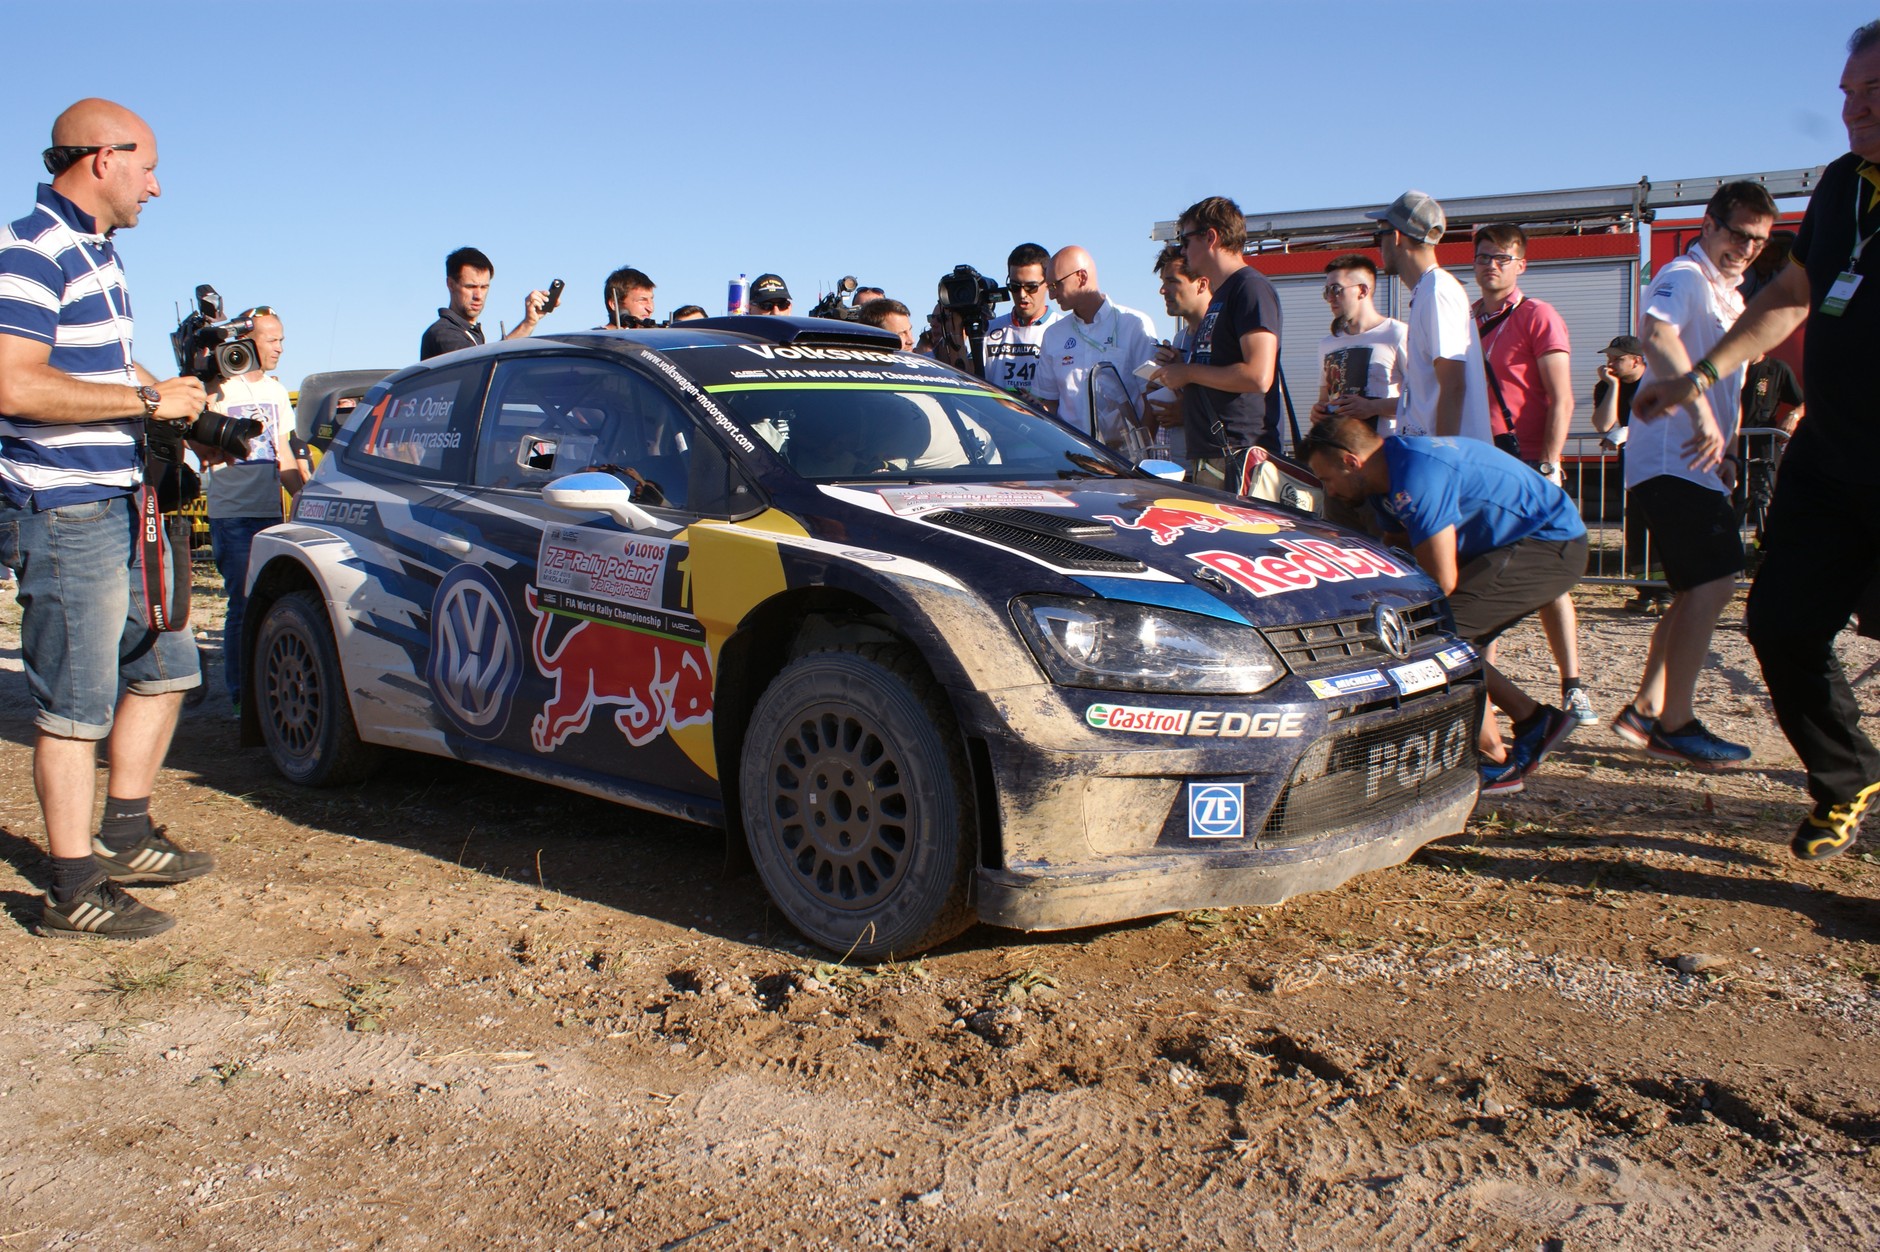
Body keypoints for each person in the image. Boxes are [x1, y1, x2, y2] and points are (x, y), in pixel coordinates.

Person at [1635, 22, 1880, 859]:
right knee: (1778, 622)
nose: (1853, 113)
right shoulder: (1846, 185)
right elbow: (1795, 293)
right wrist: (1698, 380)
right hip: (1834, 454)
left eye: (1872, 95)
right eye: (1846, 96)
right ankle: (1846, 777)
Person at [0, 98, 214, 939]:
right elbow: (14, 384)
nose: (155, 187)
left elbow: (111, 372)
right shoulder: (31, 247)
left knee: (166, 667)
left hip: (125, 496)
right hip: (66, 506)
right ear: (100, 158)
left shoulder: (100, 255)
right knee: (77, 702)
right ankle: (69, 887)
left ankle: (123, 832)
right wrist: (144, 397)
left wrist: (178, 407)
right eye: (148, 166)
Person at [1302, 417, 1586, 795]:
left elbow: (1441, 579)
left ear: (1350, 462)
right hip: (1504, 544)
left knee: (1437, 639)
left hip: (1548, 543)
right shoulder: (1384, 478)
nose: (1329, 491)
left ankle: (1523, 730)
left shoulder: (1416, 475)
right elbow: (1397, 554)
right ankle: (1505, 742)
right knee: (1430, 636)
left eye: (1327, 479)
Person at [1611, 180, 1778, 769]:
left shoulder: (1727, 293)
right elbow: (1656, 335)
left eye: (1758, 239)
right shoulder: (1684, 276)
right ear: (1708, 224)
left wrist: (1727, 445)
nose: (1747, 247)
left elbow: (1727, 379)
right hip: (1670, 460)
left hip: (1697, 464)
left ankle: (1646, 708)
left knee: (1695, 588)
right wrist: (1702, 412)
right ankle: (1675, 722)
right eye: (1737, 233)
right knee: (1715, 582)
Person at [1469, 224, 1592, 724]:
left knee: (1550, 580)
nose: (1491, 265)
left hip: (1527, 463)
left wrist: (1552, 463)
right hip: (1482, 465)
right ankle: (1484, 699)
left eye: (1502, 257)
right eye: (1482, 257)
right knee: (1481, 577)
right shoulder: (1466, 317)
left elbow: (1560, 396)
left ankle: (1573, 685)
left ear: (1522, 264)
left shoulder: (1537, 315)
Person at [199, 308, 303, 713]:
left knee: (269, 603)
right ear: (248, 340)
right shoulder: (221, 388)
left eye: (281, 339)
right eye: (272, 339)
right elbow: (202, 449)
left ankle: (261, 691)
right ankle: (243, 696)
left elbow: (285, 459)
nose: (279, 347)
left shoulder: (277, 392)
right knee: (242, 603)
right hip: (232, 515)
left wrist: (307, 500)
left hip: (269, 514)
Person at [1153, 196, 1283, 485]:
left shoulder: (1250, 288)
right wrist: (1182, 368)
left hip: (1238, 455)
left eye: (1185, 241)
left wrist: (1187, 372)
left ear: (1210, 237)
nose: (1183, 251)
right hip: (1216, 455)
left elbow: (1259, 375)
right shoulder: (1223, 295)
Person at [1368, 190, 1493, 442]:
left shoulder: (1437, 291)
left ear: (1395, 237)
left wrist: (1443, 457)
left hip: (1448, 463)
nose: (1378, 246)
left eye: (1378, 235)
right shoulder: (1430, 289)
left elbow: (1453, 384)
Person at [1030, 246, 1159, 445]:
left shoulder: (1134, 324)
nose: (1052, 296)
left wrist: (1142, 452)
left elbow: (1151, 397)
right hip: (1072, 458)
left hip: (1123, 460)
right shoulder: (1054, 335)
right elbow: (1050, 402)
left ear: (1081, 277)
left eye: (1056, 285)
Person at [1588, 335, 1659, 595]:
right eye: (1608, 358)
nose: (1610, 364)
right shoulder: (1606, 386)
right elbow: (1602, 424)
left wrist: (1625, 432)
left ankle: (1665, 590)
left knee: (1659, 524)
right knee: (1634, 525)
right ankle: (1644, 589)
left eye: (1617, 359)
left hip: (1660, 465)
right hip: (1631, 466)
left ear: (1637, 360)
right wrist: (1613, 386)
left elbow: (1659, 422)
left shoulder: (1657, 382)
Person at [1310, 253, 1406, 433]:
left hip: (1385, 451)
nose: (1330, 298)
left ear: (1362, 290)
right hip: (1339, 449)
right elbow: (1325, 398)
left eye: (1336, 289)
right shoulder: (1328, 343)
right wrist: (1319, 412)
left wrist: (1373, 407)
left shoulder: (1397, 334)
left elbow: (1424, 400)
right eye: (1326, 291)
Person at [420, 247, 551, 360]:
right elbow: (480, 368)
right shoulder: (443, 334)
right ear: (451, 284)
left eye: (484, 287)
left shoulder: (469, 334)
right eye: (471, 287)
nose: (478, 296)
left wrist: (530, 322)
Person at [1147, 243, 1211, 461]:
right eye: (1163, 282)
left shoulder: (1223, 332)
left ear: (1202, 284)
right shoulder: (1180, 338)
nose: (1163, 290)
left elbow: (1243, 399)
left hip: (1216, 470)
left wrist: (1188, 413)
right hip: (1185, 467)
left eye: (1173, 281)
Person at [982, 243, 1058, 403]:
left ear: (1048, 283)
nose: (1022, 294)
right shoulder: (988, 330)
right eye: (1015, 287)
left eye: (1031, 287)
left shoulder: (1062, 330)